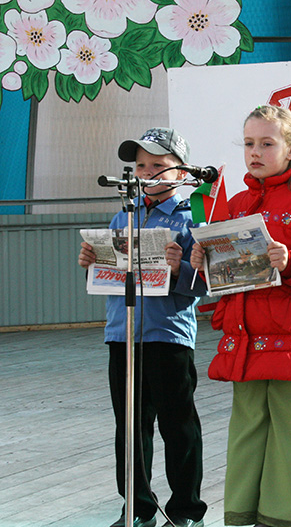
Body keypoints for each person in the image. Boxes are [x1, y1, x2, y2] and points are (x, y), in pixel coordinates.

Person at [190, 105, 291, 527]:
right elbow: (226, 274)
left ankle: (282, 519)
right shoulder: (237, 204)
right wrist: (203, 262)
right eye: (249, 143)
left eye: (267, 143)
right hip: (246, 341)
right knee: (245, 432)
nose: (255, 152)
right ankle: (240, 515)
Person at [78, 128, 207, 527]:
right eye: (140, 165)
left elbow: (204, 286)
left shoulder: (192, 217)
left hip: (168, 336)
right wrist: (91, 263)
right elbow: (110, 276)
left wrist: (179, 268)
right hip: (122, 334)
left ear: (182, 172)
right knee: (130, 428)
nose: (147, 172)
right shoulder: (124, 214)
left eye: (158, 165)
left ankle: (186, 510)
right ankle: (136, 508)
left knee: (178, 425)